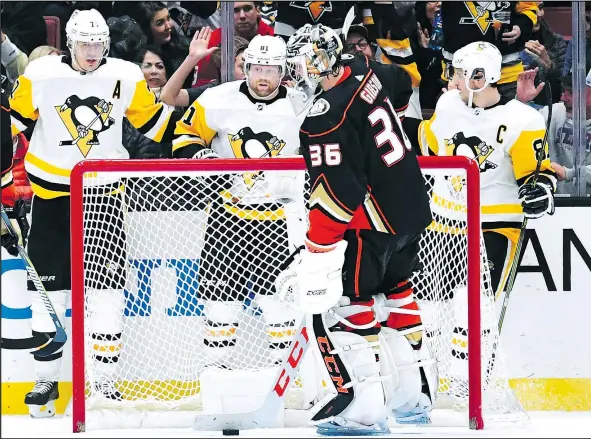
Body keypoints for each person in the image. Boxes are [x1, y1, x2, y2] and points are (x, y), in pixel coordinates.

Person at [9, 9, 173, 418]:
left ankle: (105, 380)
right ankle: (45, 379)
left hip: (102, 196)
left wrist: (195, 140)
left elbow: (154, 123)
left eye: (99, 44)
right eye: (85, 44)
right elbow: (10, 124)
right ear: (69, 41)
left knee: (107, 293)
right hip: (50, 198)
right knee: (46, 293)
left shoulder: (125, 74)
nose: (92, 52)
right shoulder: (40, 72)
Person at [278, 23, 437, 435]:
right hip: (409, 204)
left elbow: (339, 194)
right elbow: (401, 80)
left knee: (348, 303)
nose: (293, 77)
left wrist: (317, 248)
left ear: (316, 62)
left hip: (371, 221)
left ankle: (365, 409)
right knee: (398, 292)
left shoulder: (324, 118)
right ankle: (413, 397)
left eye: (297, 66)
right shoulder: (360, 67)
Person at [416, 41, 556, 393]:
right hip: (442, 222)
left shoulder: (523, 119)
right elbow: (430, 144)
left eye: (461, 74)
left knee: (473, 303)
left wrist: (541, 190)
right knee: (429, 307)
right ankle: (426, 381)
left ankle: (467, 385)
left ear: (481, 76)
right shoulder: (449, 105)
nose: (453, 80)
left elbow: (537, 174)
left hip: (495, 223)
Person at [171, 34, 308, 390]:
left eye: (272, 70)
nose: (263, 77)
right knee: (219, 304)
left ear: (284, 71)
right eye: (257, 68)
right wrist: (200, 159)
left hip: (279, 220)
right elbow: (185, 134)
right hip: (227, 215)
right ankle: (216, 375)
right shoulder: (219, 99)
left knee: (281, 306)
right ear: (246, 67)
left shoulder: (302, 105)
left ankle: (288, 381)